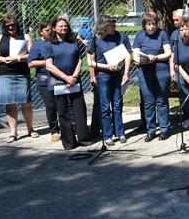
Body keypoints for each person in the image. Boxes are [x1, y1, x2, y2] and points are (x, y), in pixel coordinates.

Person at [45, 16, 92, 150]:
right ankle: (69, 142)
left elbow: (79, 60)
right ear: (54, 28)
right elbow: (49, 66)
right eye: (60, 26)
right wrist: (66, 78)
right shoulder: (49, 44)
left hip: (75, 81)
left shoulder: (74, 42)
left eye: (65, 26)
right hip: (58, 82)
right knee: (63, 112)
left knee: (79, 109)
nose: (64, 28)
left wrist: (75, 75)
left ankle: (84, 138)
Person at [87, 15, 132, 146]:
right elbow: (90, 61)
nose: (114, 27)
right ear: (104, 26)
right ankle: (107, 135)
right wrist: (103, 69)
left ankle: (120, 132)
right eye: (111, 25)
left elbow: (127, 55)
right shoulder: (96, 39)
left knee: (117, 104)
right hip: (103, 75)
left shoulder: (121, 36)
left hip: (118, 74)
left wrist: (126, 73)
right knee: (105, 106)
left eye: (114, 24)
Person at [133, 12, 172, 142]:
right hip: (144, 72)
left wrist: (155, 58)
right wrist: (138, 60)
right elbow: (135, 53)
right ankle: (151, 130)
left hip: (161, 71)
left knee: (161, 101)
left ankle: (164, 129)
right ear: (144, 25)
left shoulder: (162, 34)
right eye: (149, 25)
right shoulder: (139, 35)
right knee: (148, 102)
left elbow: (168, 53)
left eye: (154, 24)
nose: (152, 27)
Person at [0, 15, 36, 143]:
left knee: (26, 103)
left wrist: (18, 59)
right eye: (7, 25)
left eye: (12, 24)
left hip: (22, 73)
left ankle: (30, 129)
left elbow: (32, 55)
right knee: (9, 104)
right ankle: (13, 133)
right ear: (4, 27)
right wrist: (3, 59)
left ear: (17, 24)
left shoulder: (25, 37)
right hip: (5, 74)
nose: (10, 27)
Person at [27, 22, 59, 142]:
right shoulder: (37, 45)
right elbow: (30, 63)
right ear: (40, 32)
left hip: (60, 78)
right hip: (45, 79)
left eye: (51, 30)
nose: (49, 32)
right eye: (46, 30)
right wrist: (47, 62)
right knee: (51, 106)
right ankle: (54, 130)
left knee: (63, 104)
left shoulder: (56, 41)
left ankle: (69, 128)